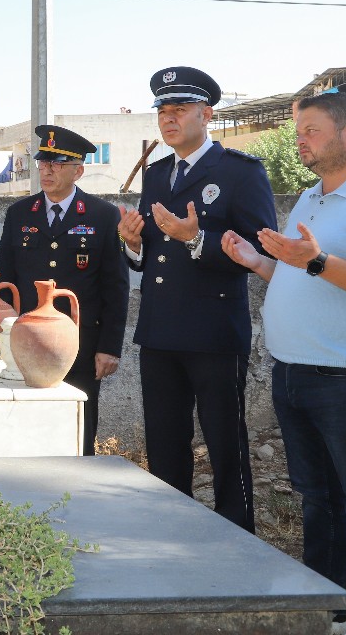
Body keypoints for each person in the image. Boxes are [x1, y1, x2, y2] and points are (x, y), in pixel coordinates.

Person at [222, 92, 346, 635]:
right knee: (319, 500)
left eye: (310, 130)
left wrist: (316, 260)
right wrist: (261, 261)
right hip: (295, 373)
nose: (300, 140)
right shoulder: (312, 196)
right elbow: (306, 276)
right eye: (299, 130)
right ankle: (324, 605)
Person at [117, 66, 277, 533]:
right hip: (161, 329)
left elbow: (260, 248)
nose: (168, 120)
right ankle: (174, 532)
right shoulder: (158, 173)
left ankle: (236, 534)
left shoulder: (239, 172)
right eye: (162, 112)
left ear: (206, 114)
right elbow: (152, 256)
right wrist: (133, 243)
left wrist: (198, 239)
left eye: (180, 110)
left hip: (213, 330)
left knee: (226, 442)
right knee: (165, 443)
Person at [0, 125, 129, 456]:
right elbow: (4, 281)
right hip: (26, 342)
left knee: (79, 425)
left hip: (80, 344)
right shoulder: (19, 214)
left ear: (78, 170)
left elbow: (115, 286)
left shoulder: (102, 215)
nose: (47, 170)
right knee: (25, 422)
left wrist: (110, 347)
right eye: (43, 163)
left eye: (56, 164)